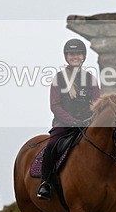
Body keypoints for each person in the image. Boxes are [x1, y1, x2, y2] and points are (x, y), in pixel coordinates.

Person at [37, 38, 101, 200]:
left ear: (84, 57)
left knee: (110, 141)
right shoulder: (58, 78)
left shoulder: (91, 79)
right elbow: (55, 105)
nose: (75, 57)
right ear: (66, 56)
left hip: (87, 124)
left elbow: (97, 104)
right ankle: (46, 183)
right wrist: (72, 121)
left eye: (78, 54)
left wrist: (91, 119)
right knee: (51, 145)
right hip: (64, 125)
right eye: (72, 54)